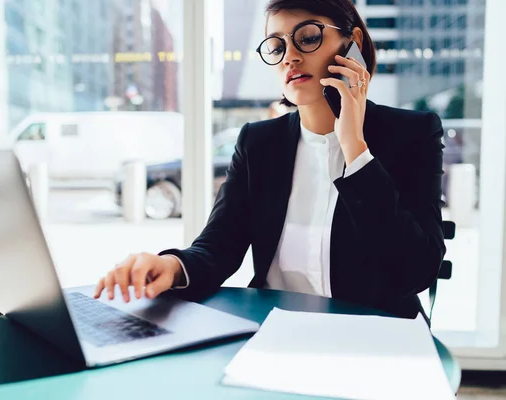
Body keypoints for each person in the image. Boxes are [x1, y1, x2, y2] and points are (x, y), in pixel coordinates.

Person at [94, 0, 445, 322]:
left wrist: (354, 148)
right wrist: (170, 265)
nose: (290, 56)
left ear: (351, 42)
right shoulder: (259, 142)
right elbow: (218, 246)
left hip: (372, 337)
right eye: (277, 46)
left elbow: (415, 271)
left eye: (307, 37)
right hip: (272, 330)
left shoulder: (411, 133)